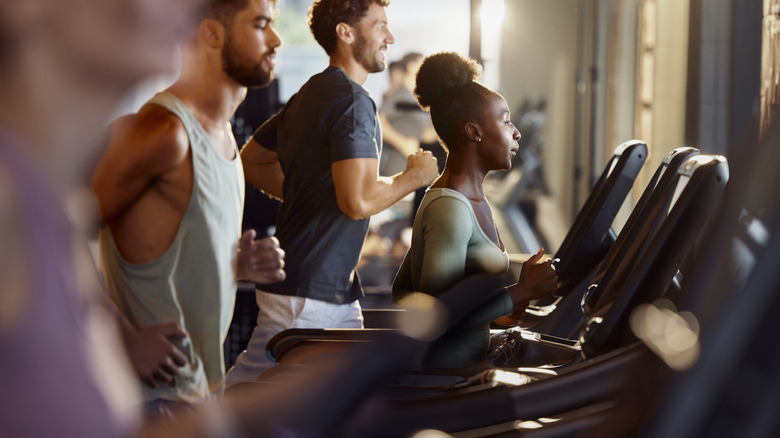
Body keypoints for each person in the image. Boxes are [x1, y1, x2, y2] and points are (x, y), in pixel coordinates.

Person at [225, 0, 440, 386]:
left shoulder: (311, 93)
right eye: (380, 26)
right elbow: (357, 202)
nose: (390, 37)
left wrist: (308, 193)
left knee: (345, 400)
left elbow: (251, 159)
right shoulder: (354, 103)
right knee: (251, 396)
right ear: (346, 33)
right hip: (309, 294)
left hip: (332, 291)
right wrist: (414, 176)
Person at [91, 0, 285, 415]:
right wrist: (122, 336)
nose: (276, 39)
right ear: (212, 34)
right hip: (152, 400)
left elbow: (165, 248)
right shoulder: (163, 132)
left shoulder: (223, 136)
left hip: (198, 393)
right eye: (261, 25)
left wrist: (236, 265)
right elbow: (46, 232)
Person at [392, 52, 559, 369]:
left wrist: (494, 311)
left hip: (471, 365)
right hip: (451, 380)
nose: (516, 132)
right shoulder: (449, 208)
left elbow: (403, 290)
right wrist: (520, 291)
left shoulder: (468, 199)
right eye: (506, 120)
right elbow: (438, 315)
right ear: (474, 131)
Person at [378, 52, 438, 177]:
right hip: (394, 172)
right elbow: (377, 122)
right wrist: (404, 144)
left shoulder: (414, 99)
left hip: (410, 173)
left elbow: (422, 135)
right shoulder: (399, 96)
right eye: (423, 63)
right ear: (411, 66)